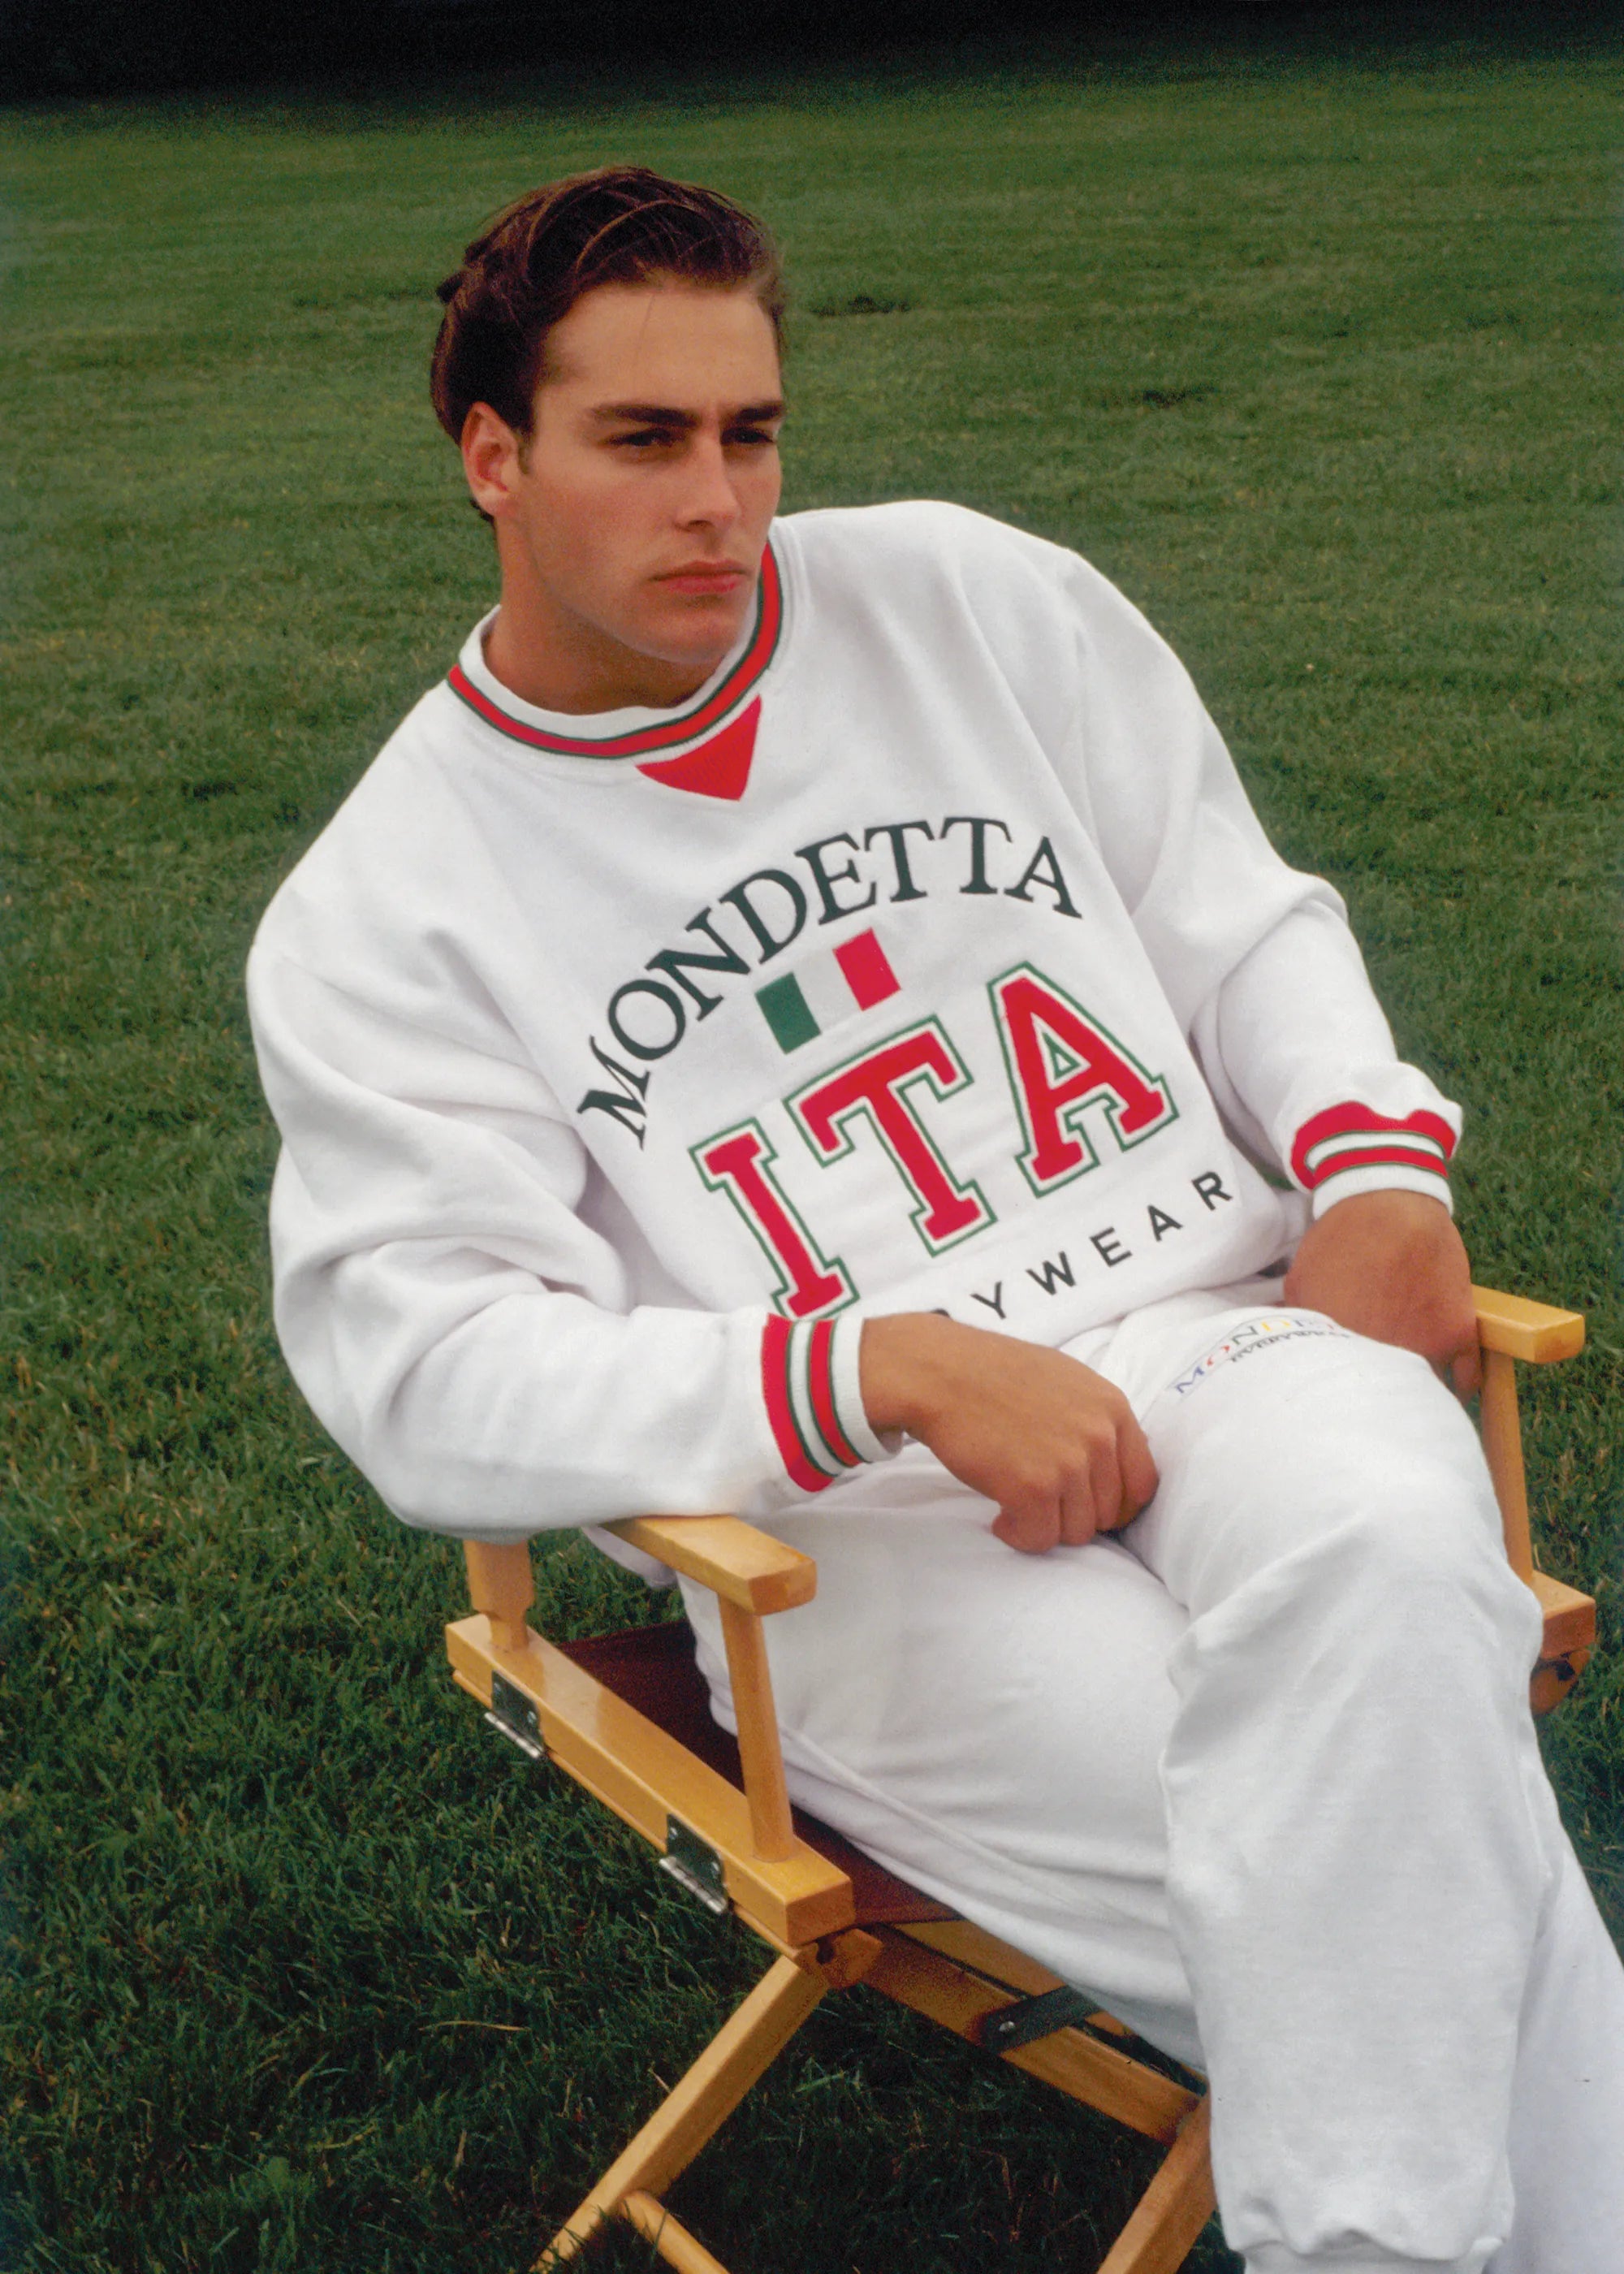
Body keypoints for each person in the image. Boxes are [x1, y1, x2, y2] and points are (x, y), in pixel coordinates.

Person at [246, 167, 1624, 2273]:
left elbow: (1238, 920)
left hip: (1216, 1329)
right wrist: (868, 1362)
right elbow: (421, 1374)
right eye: (643, 440)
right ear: (492, 459)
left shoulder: (976, 601)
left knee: (1380, 1567)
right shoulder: (390, 905)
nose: (720, 498)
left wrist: (1372, 1161)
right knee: (1383, 1838)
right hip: (846, 1535)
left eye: (752, 431)